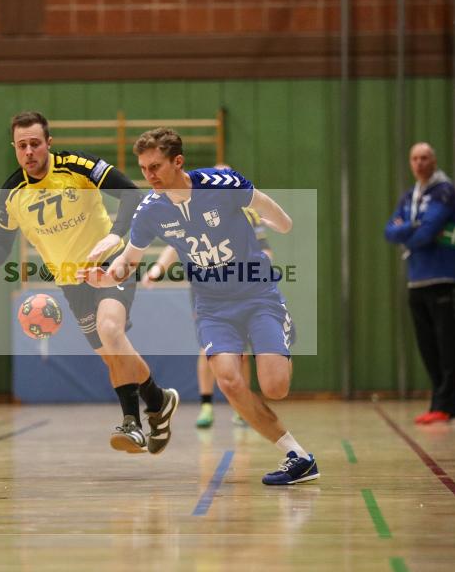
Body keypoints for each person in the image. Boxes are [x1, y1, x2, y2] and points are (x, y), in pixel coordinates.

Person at [81, 127, 318, 486]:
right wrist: (105, 276)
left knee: (275, 388)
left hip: (257, 296)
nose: (149, 176)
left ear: (178, 162)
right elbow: (129, 260)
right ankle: (298, 456)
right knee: (229, 380)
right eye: (143, 168)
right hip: (213, 307)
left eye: (156, 166)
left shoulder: (222, 184)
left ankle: (278, 337)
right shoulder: (151, 210)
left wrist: (281, 224)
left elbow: (270, 210)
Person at [0, 111, 178, 454]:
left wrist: (113, 238)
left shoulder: (77, 166)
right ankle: (158, 400)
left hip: (110, 265)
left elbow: (131, 195)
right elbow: (0, 241)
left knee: (111, 331)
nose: (29, 152)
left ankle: (132, 424)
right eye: (22, 146)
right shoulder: (11, 192)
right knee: (113, 357)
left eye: (35, 143)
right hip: (71, 281)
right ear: (15, 148)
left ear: (48, 143)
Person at [143, 201, 272, 429]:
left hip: (240, 288)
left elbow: (265, 251)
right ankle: (206, 405)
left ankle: (241, 408)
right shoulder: (194, 216)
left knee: (240, 349)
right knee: (208, 346)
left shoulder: (248, 215)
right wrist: (157, 269)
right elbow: (175, 245)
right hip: (207, 290)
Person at [384, 142, 455, 424]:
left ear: (434, 160)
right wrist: (412, 228)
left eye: (425, 158)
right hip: (416, 280)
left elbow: (429, 231)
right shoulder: (409, 196)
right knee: (427, 345)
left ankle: (448, 405)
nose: (419, 163)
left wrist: (410, 232)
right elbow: (388, 231)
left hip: (444, 276)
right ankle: (437, 403)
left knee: (447, 345)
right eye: (415, 158)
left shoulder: (444, 191)